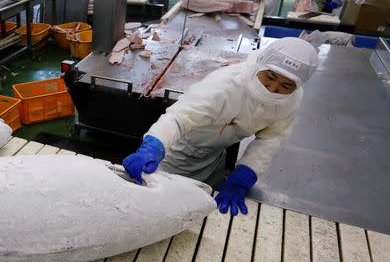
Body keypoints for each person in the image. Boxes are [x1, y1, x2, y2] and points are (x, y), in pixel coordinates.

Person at [122, 37, 319, 216]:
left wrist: (243, 177)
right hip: (175, 154)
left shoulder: (291, 101)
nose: (273, 89)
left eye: (286, 86)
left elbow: (272, 138)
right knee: (154, 210)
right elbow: (179, 118)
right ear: (260, 65)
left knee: (203, 212)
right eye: (271, 77)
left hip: (212, 159)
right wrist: (152, 147)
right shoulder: (226, 84)